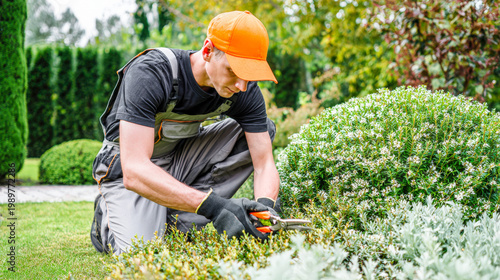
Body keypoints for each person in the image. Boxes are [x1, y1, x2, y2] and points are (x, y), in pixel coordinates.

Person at [90, 10, 281, 254]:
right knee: (143, 254)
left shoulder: (243, 89)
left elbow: (264, 163)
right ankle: (107, 221)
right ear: (208, 50)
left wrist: (264, 212)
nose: (242, 86)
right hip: (128, 167)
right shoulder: (153, 73)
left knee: (263, 128)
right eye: (234, 70)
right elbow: (135, 169)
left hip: (180, 159)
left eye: (249, 74)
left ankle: (176, 222)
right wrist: (214, 207)